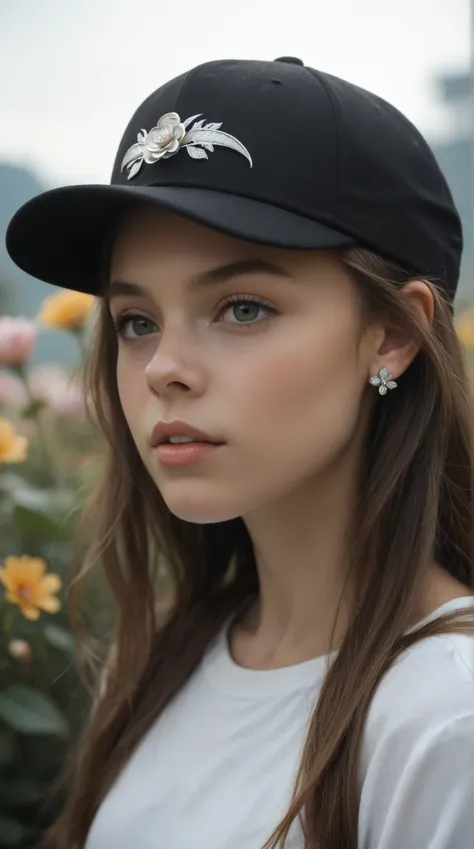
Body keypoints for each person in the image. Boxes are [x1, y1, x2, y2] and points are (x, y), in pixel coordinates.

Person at [6, 57, 474, 849]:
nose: (162, 368)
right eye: (136, 320)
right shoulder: (166, 652)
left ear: (394, 334)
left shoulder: (445, 718)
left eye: (243, 307)